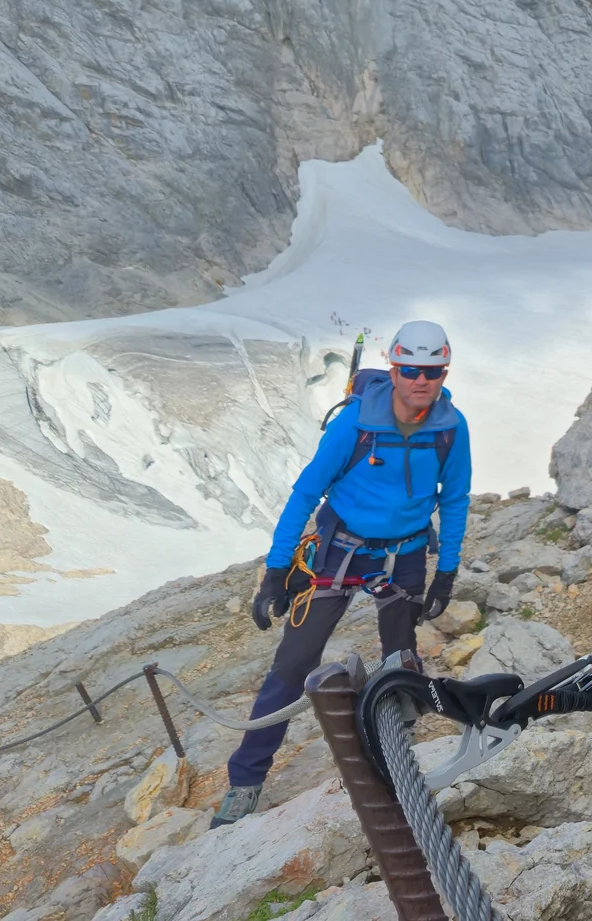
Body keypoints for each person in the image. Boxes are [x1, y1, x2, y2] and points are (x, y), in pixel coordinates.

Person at [211, 320, 472, 828]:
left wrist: (447, 570)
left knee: (399, 663)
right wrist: (276, 569)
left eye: (433, 371)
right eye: (412, 369)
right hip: (340, 551)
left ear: (444, 371)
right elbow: (306, 493)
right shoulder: (354, 423)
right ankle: (245, 781)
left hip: (406, 554)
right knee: (293, 663)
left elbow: (456, 498)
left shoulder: (451, 427)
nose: (422, 380)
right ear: (395, 368)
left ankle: (397, 762)